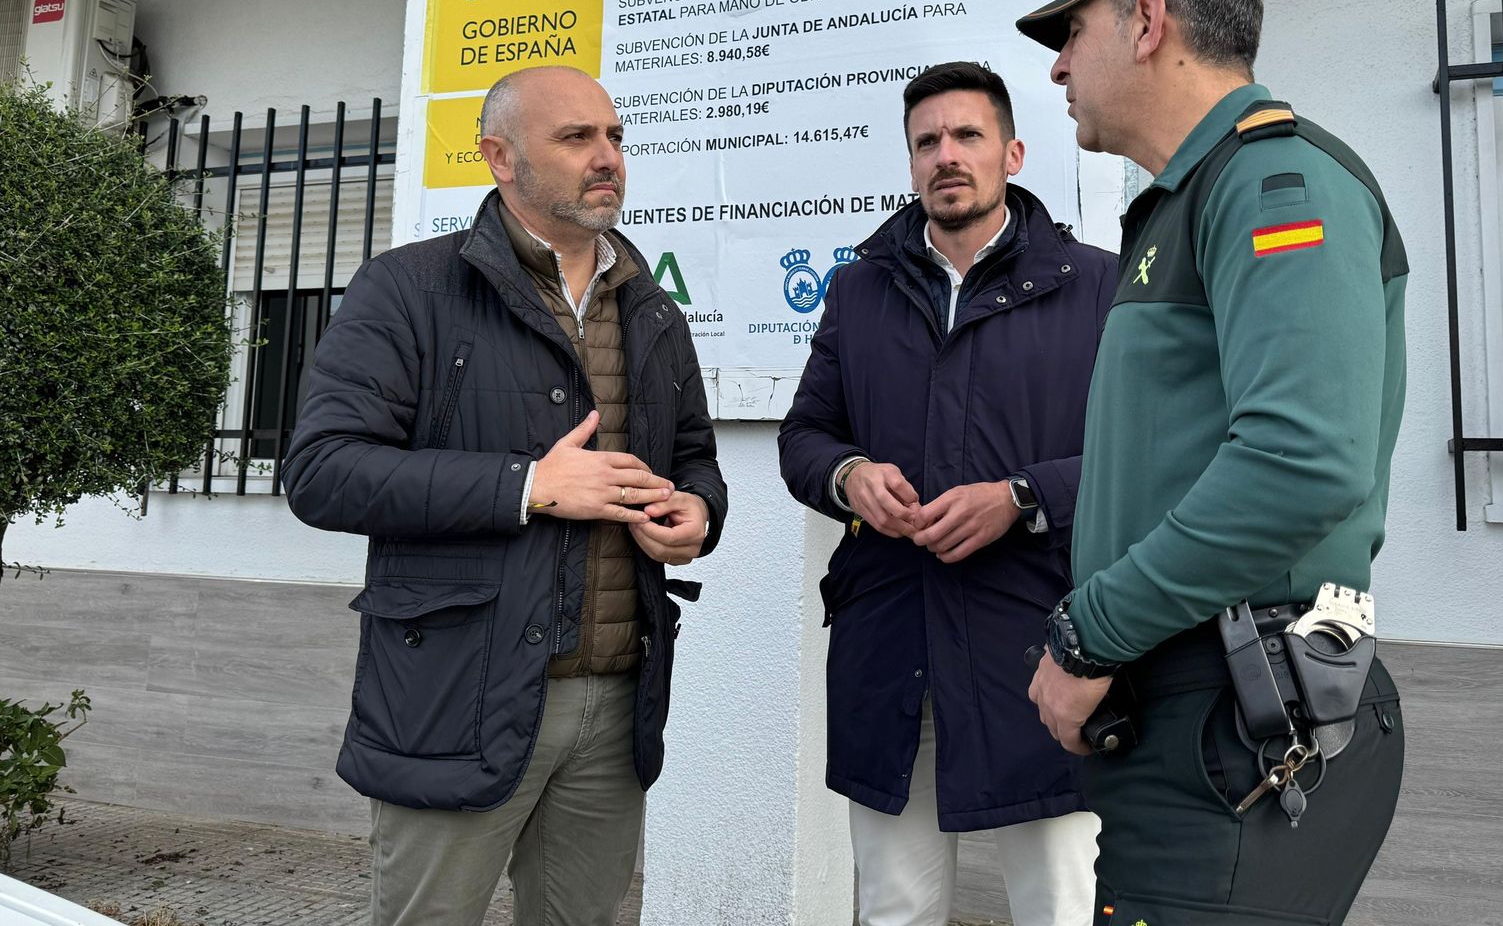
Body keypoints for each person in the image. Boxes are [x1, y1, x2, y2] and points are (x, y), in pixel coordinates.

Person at [1017, 0, 1407, 926]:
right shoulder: (1194, 199)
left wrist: (1083, 637)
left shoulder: (1275, 183)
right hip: (1196, 708)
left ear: (1146, 23)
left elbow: (1300, 465)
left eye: (1072, 32)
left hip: (1235, 710)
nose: (1056, 67)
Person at [283, 65, 728, 926]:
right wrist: (527, 485)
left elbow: (696, 459)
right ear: (499, 156)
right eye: (576, 138)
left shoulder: (652, 311)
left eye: (615, 137)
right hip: (458, 696)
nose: (608, 158)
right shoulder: (408, 289)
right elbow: (323, 471)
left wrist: (696, 516)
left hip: (616, 700)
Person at [778, 61, 1117, 926]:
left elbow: (1145, 457)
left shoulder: (1097, 286)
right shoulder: (859, 290)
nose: (946, 156)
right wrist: (848, 477)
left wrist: (1022, 495)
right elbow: (804, 438)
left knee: (1061, 909)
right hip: (893, 649)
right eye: (926, 142)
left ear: (1012, 152)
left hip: (1040, 653)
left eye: (967, 136)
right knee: (894, 909)